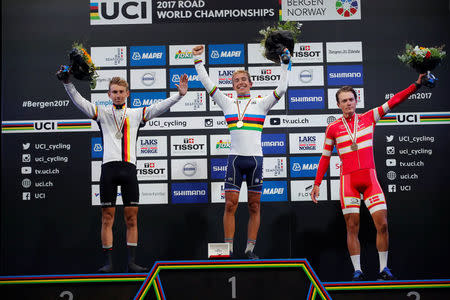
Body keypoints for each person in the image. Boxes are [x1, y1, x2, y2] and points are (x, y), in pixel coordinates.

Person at [57, 67, 188, 272]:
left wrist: (179, 96)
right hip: (108, 171)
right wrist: (68, 84)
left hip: (129, 171)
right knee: (107, 218)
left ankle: (132, 262)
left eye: (121, 92)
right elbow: (79, 101)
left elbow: (159, 107)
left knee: (132, 218)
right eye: (114, 92)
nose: (118, 95)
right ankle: (108, 263)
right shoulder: (102, 113)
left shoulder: (136, 114)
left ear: (128, 94)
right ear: (109, 94)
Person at [311, 73, 426, 280]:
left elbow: (394, 101)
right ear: (338, 104)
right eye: (344, 100)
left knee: (382, 224)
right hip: (349, 182)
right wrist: (317, 183)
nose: (348, 103)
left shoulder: (369, 117)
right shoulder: (333, 128)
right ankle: (357, 270)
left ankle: (384, 268)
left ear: (356, 101)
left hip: (370, 181)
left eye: (351, 99)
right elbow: (325, 157)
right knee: (352, 227)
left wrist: (416, 85)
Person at [192, 45, 290, 259]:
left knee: (254, 206)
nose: (241, 83)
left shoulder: (261, 104)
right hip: (235, 159)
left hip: (256, 160)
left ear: (250, 83)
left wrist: (284, 64)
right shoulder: (227, 103)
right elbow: (208, 85)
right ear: (233, 85)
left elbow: (281, 90)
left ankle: (249, 249)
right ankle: (227, 250)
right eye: (237, 81)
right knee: (230, 204)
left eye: (244, 79)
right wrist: (198, 61)